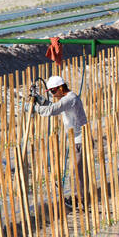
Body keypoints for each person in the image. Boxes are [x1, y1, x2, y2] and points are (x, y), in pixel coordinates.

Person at [32, 74, 88, 202]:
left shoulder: (70, 98)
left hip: (80, 140)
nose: (52, 94)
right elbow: (53, 105)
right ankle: (78, 197)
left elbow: (52, 110)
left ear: (61, 88)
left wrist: (34, 109)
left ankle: (80, 199)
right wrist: (39, 99)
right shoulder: (67, 99)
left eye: (53, 91)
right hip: (75, 139)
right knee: (74, 172)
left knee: (76, 172)